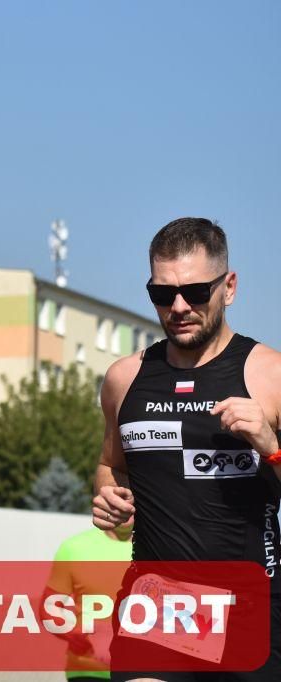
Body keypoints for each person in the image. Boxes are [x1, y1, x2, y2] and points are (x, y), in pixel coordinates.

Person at [91, 218, 281, 680]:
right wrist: (110, 498)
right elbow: (110, 466)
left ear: (228, 287)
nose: (178, 307)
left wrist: (271, 447)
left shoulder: (270, 376)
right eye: (162, 294)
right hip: (156, 606)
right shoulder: (124, 378)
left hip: (249, 608)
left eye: (195, 292)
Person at [47, 521, 134, 682]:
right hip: (87, 671)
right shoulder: (74, 548)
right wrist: (71, 634)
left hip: (145, 673)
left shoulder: (161, 548)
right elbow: (50, 606)